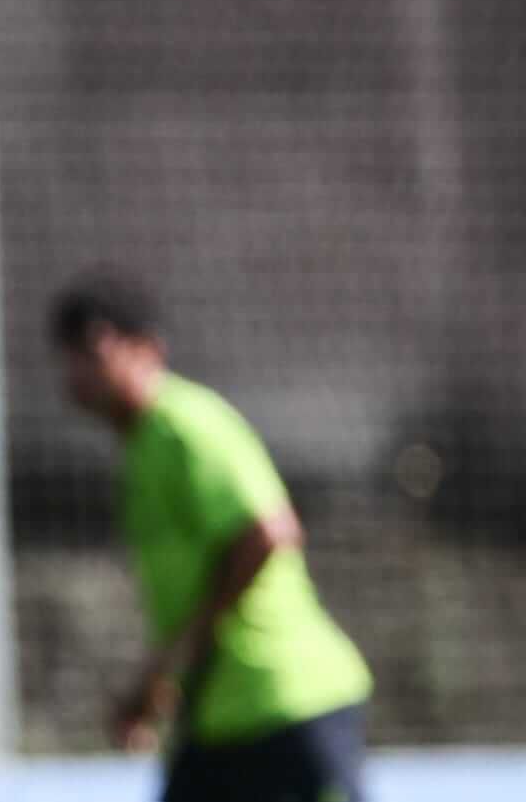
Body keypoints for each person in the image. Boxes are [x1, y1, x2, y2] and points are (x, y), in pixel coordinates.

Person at [49, 270, 372, 802]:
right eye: (69, 354)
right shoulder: (139, 452)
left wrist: (177, 655)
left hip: (286, 700)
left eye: (94, 347)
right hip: (218, 718)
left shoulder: (186, 423)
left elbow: (269, 531)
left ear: (148, 347)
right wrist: (157, 681)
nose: (80, 370)